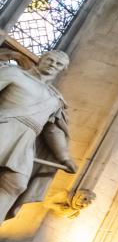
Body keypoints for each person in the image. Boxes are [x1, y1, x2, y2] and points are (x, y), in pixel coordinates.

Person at [0, 51, 75, 222]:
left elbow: (52, 130)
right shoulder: (14, 73)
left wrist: (63, 157)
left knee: (15, 185)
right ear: (41, 59)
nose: (52, 64)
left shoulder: (55, 98)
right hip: (4, 127)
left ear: (63, 69)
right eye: (50, 60)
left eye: (58, 64)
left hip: (25, 141)